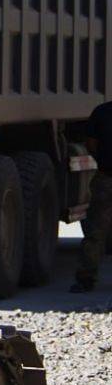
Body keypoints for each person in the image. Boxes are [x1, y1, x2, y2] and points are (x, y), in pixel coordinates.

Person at [72, 100, 112, 292]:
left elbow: (91, 144)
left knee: (96, 231)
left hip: (106, 178)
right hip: (105, 178)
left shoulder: (102, 112)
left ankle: (86, 279)